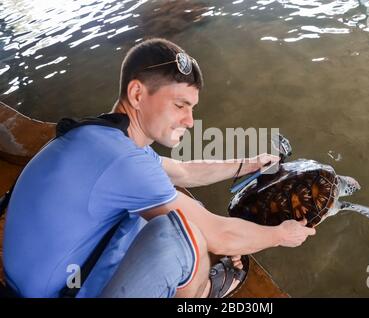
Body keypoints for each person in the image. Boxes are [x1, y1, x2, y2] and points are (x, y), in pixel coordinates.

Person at [3, 38, 315, 298]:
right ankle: (205, 291)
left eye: (192, 109)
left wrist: (248, 164)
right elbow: (222, 235)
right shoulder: (124, 162)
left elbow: (182, 171)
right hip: (57, 291)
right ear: (137, 94)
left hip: (36, 280)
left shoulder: (101, 136)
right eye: (180, 106)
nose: (190, 121)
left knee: (167, 205)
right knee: (187, 237)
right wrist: (280, 235)